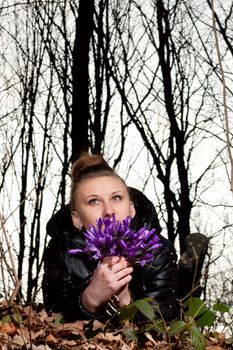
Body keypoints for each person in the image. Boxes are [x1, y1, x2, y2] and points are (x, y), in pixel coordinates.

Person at [42, 152, 207, 323]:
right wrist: (89, 301)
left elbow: (162, 321)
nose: (108, 211)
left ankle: (189, 279)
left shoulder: (157, 249)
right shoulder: (60, 250)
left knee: (183, 313)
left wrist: (125, 301)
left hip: (161, 308)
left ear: (131, 208)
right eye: (93, 201)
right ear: (77, 219)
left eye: (116, 197)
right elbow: (54, 315)